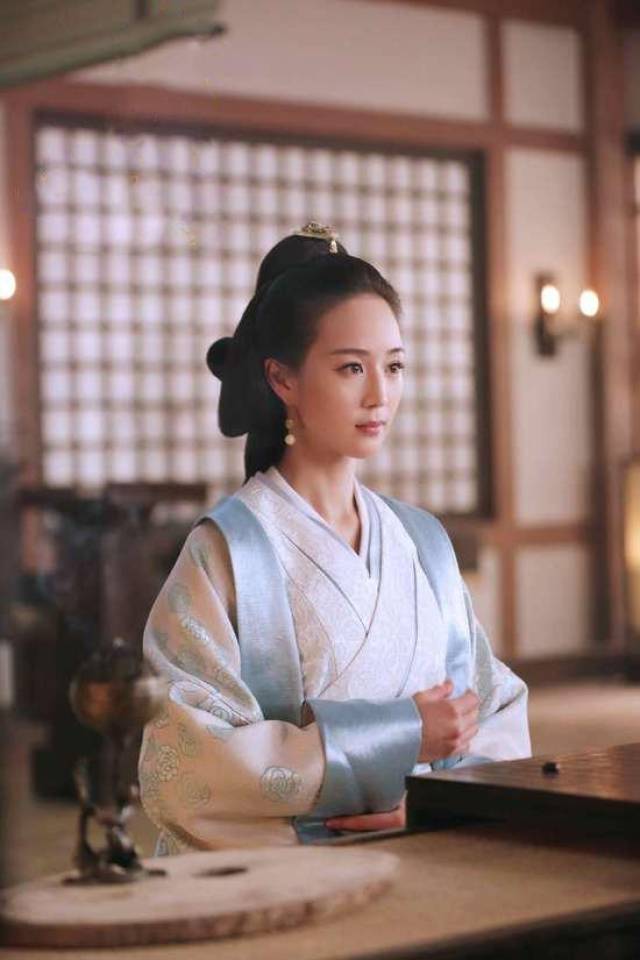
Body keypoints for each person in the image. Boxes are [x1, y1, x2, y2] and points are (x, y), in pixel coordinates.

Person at [138, 222, 531, 854]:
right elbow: (188, 762)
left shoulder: (421, 541)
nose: (380, 395)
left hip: (427, 848)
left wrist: (437, 803)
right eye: (352, 367)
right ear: (283, 379)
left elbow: (493, 706)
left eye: (394, 366)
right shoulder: (229, 550)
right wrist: (402, 735)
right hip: (291, 873)